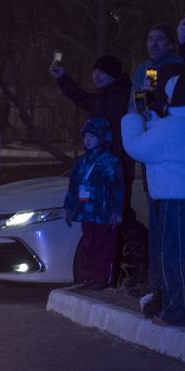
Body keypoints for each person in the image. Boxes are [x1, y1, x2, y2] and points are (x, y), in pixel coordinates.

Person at [123, 68, 185, 325]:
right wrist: (151, 119)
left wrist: (132, 118)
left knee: (172, 255)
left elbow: (137, 147)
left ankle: (178, 312)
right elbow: (164, 137)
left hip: (177, 198)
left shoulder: (172, 127)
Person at [51, 53, 141, 286]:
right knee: (95, 233)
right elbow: (83, 99)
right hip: (98, 179)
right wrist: (63, 79)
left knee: (115, 225)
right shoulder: (105, 97)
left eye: (101, 71)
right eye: (94, 71)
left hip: (116, 169)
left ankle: (126, 271)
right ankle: (98, 275)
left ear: (112, 73)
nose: (95, 75)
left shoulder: (122, 96)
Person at [64, 117, 125, 289]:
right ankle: (89, 277)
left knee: (104, 247)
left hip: (104, 215)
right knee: (88, 246)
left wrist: (116, 211)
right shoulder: (82, 162)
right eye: (86, 136)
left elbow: (118, 188)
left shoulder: (110, 161)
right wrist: (69, 207)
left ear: (103, 137)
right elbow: (73, 185)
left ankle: (102, 279)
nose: (88, 140)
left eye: (92, 136)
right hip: (87, 214)